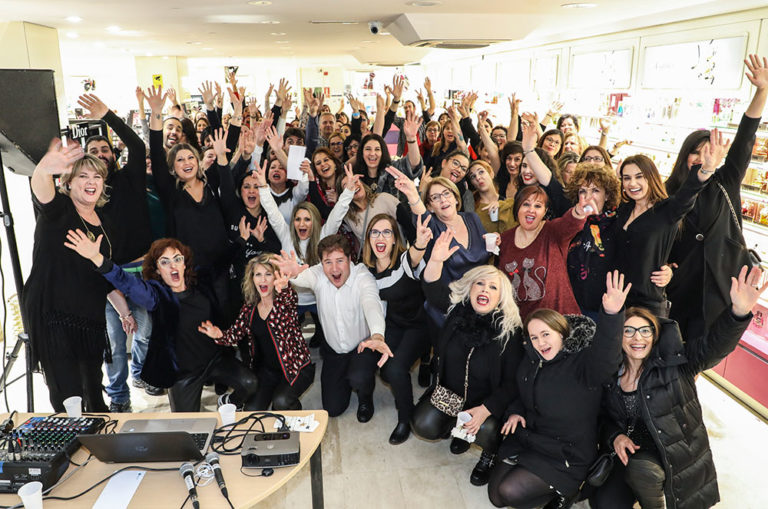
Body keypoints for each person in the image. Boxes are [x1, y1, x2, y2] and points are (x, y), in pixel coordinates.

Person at [592, 266, 766, 509]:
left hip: (670, 449)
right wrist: (615, 436)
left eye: (645, 331)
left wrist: (738, 312)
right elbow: (602, 417)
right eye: (628, 331)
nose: (637, 338)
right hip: (630, 451)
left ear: (655, 336)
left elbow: (712, 347)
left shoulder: (675, 362)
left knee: (643, 472)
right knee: (604, 503)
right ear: (618, 338)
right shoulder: (612, 373)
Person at [65, 235, 260, 412]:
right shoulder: (156, 295)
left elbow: (221, 263)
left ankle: (228, 401)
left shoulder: (200, 281)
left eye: (177, 259)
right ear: (157, 270)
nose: (173, 266)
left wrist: (241, 239)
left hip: (214, 359)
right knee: (187, 427)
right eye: (165, 262)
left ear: (184, 263)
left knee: (250, 383)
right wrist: (97, 258)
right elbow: (127, 283)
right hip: (183, 373)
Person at [487, 271, 630, 509]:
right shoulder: (530, 362)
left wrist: (612, 315)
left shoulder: (583, 364)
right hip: (531, 440)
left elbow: (607, 357)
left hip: (566, 452)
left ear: (561, 334)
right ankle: (545, 488)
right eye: (534, 337)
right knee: (496, 498)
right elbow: (522, 394)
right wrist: (515, 412)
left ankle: (567, 492)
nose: (541, 343)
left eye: (546, 334)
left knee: (509, 491)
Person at [666, 54, 768, 341]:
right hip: (679, 287)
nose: (703, 158)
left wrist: (762, 91)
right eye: (696, 153)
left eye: (709, 151)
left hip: (722, 283)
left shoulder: (726, 180)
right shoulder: (669, 190)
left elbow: (745, 137)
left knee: (708, 347)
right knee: (675, 346)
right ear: (684, 155)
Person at [23, 144, 124, 413]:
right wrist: (45, 168)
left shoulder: (105, 222)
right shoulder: (60, 210)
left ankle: (97, 434)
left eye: (97, 177)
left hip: (89, 320)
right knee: (69, 395)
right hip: (54, 316)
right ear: (68, 182)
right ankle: (71, 437)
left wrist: (124, 312)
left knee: (94, 394)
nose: (91, 182)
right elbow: (42, 190)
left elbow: (104, 274)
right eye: (83, 176)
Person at [412, 253, 525, 487]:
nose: (484, 289)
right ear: (470, 288)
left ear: (500, 297)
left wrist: (486, 409)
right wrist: (435, 259)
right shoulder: (457, 312)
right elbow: (431, 288)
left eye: (493, 287)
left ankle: (488, 455)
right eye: (480, 283)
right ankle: (457, 428)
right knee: (423, 424)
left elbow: (513, 382)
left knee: (485, 430)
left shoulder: (510, 332)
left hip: (485, 404)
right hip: (451, 395)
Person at [77, 93, 158, 409]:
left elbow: (137, 146)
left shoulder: (130, 177)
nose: (101, 154)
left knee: (146, 331)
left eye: (105, 149)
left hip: (142, 270)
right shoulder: (86, 195)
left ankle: (140, 373)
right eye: (94, 151)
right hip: (108, 275)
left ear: (113, 154)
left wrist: (107, 115)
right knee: (114, 341)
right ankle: (119, 396)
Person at [274, 235, 394, 421]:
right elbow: (305, 276)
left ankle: (365, 397)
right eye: (328, 262)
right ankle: (346, 379)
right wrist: (295, 274)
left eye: (340, 260)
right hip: (334, 350)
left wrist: (377, 335)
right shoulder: (319, 274)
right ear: (321, 263)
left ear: (350, 259)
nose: (334, 268)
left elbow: (372, 304)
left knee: (359, 376)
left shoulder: (362, 277)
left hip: (361, 346)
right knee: (333, 408)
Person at [613, 146, 724, 315]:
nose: (632, 183)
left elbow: (689, 192)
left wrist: (706, 169)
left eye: (639, 177)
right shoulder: (623, 209)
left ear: (651, 178)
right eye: (626, 178)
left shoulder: (667, 210)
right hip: (616, 299)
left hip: (647, 305)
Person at [198, 254, 315, 410]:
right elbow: (235, 334)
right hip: (267, 371)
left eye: (268, 274)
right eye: (258, 274)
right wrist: (219, 335)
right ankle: (235, 399)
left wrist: (285, 288)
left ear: (276, 277)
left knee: (281, 403)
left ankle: (293, 410)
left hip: (295, 367)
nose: (263, 280)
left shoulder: (284, 301)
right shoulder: (250, 308)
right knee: (251, 411)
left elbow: (290, 300)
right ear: (252, 279)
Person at [362, 213, 432, 444]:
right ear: (368, 239)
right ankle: (423, 361)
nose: (380, 237)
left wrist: (420, 243)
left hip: (418, 325)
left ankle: (405, 418)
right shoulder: (367, 270)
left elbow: (415, 255)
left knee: (395, 370)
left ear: (394, 239)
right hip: (393, 323)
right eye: (375, 232)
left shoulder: (403, 260)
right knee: (385, 370)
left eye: (386, 232)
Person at [495, 185, 596, 319]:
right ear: (517, 207)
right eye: (526, 204)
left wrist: (579, 211)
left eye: (538, 206)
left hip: (560, 320)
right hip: (524, 324)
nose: (531, 210)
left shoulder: (552, 231)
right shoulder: (504, 239)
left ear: (545, 211)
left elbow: (569, 223)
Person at [467, 159, 517, 234]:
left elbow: (513, 232)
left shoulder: (509, 203)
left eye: (481, 172)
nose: (478, 178)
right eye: (473, 176)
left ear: (491, 174)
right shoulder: (471, 207)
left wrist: (502, 205)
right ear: (472, 183)